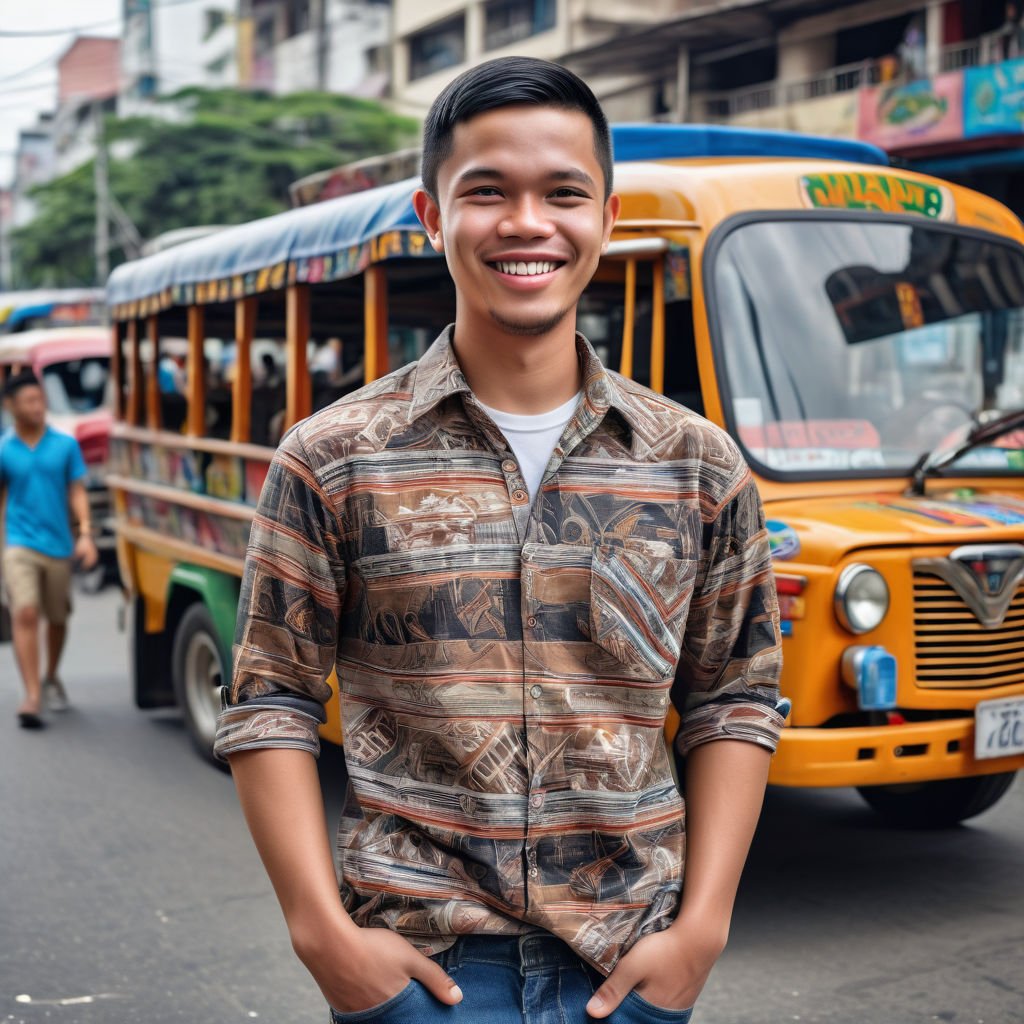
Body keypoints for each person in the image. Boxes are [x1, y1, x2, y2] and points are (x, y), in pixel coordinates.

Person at [216, 56, 787, 1023]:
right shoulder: (333, 458)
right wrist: (323, 938)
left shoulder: (696, 463)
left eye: (564, 192)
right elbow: (269, 696)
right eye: (487, 193)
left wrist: (704, 931)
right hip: (423, 977)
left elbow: (735, 695)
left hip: (632, 969)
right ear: (432, 216)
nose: (527, 223)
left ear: (607, 217)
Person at [0, 371, 98, 729]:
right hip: (19, 544)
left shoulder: (64, 445)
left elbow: (76, 491)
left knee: (57, 619)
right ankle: (31, 695)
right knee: (25, 612)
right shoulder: (3, 449)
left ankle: (50, 675)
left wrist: (85, 534)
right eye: (29, 401)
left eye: (40, 400)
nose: (38, 407)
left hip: (59, 546)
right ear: (11, 407)